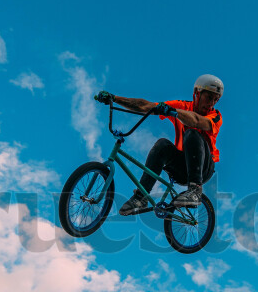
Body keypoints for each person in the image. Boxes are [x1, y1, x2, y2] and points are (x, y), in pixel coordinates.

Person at [94, 74, 224, 215]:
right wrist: (114, 98)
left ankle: (195, 191)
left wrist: (174, 112)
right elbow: (145, 106)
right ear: (197, 93)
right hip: (182, 168)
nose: (211, 103)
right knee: (162, 144)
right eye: (209, 97)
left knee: (192, 133)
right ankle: (141, 197)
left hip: (204, 168)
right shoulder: (183, 106)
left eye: (215, 100)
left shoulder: (215, 116)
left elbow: (197, 121)